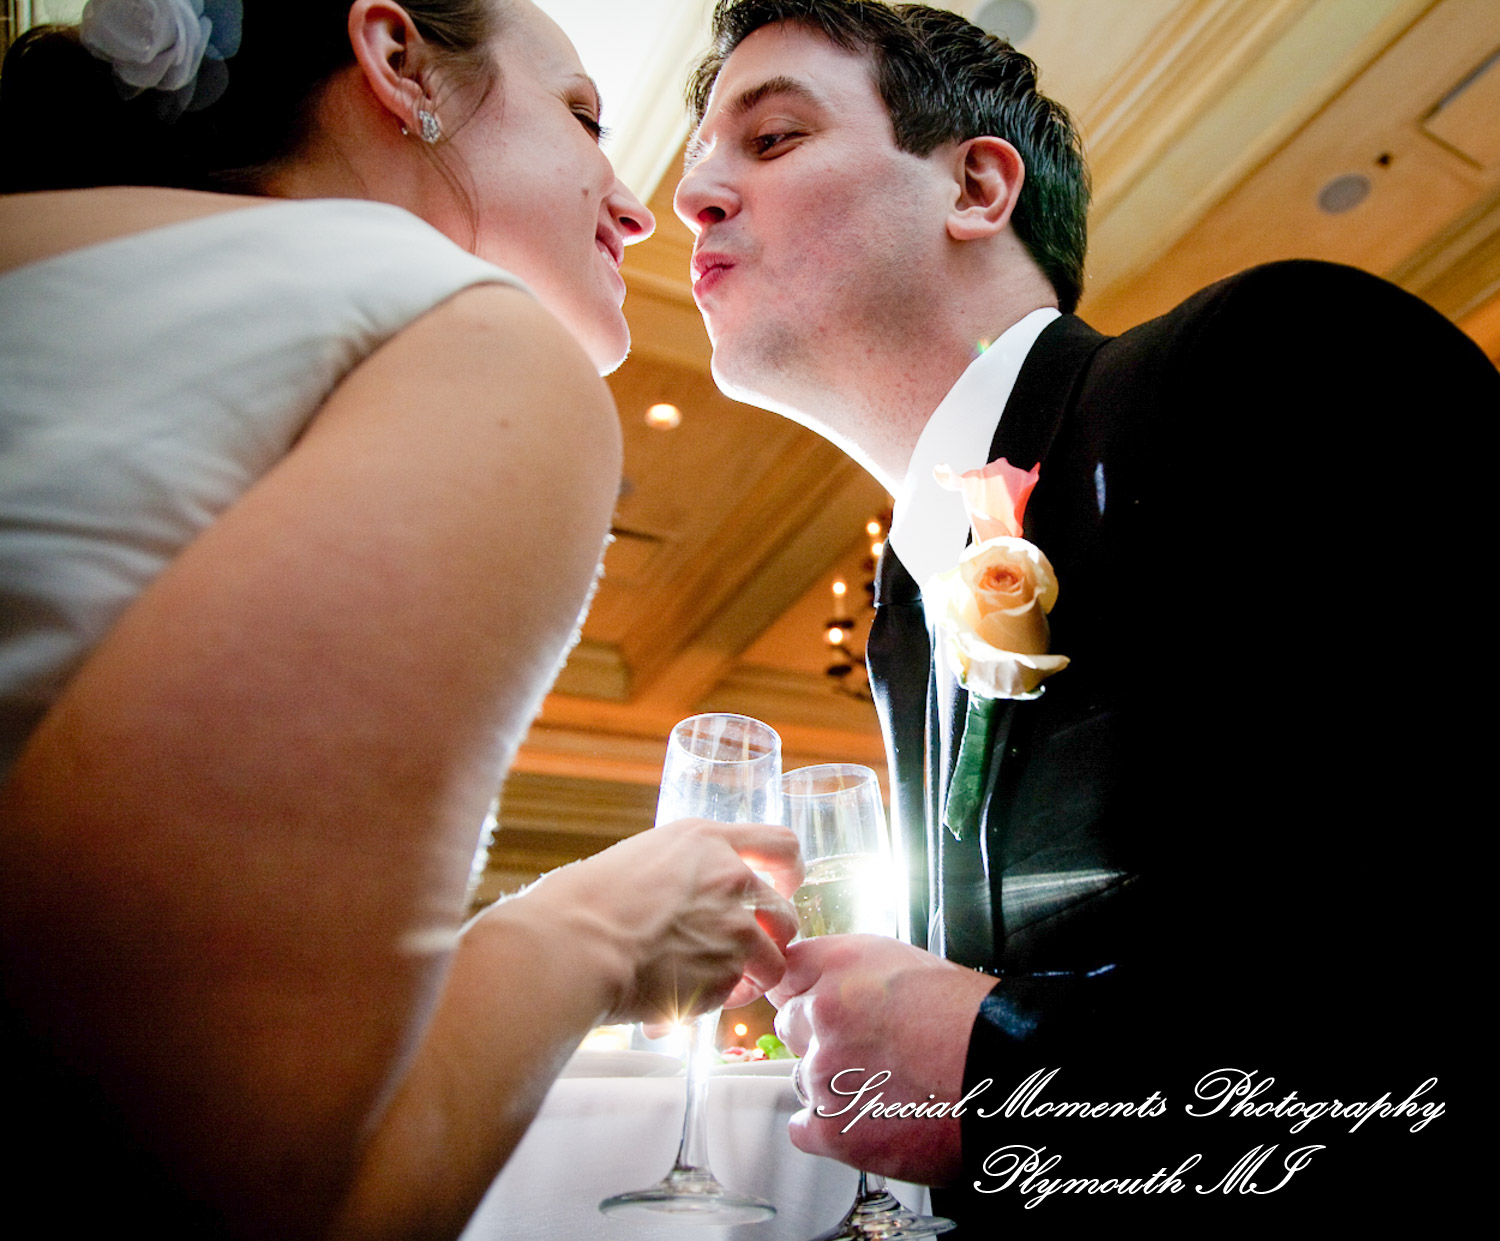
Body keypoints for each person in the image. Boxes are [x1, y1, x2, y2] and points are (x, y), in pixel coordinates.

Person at [674, 0, 1495, 1222]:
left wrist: (1009, 1071)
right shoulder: (906, 608)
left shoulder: (1272, 365)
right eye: (696, 164)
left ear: (976, 187)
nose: (692, 198)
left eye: (774, 137)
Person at [0, 2, 801, 1238]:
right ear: (396, 61)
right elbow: (255, 1205)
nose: (639, 209)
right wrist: (607, 925)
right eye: (583, 118)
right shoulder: (479, 344)